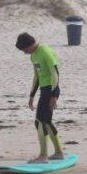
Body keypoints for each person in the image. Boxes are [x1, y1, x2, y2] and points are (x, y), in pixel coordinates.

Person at [15, 33, 65, 163]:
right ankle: (59, 153)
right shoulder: (33, 56)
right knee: (46, 122)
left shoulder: (45, 51)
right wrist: (32, 95)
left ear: (29, 45)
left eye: (25, 49)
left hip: (51, 89)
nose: (25, 53)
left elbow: (55, 73)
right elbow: (37, 76)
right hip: (44, 90)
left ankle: (43, 156)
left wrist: (54, 95)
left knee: (39, 121)